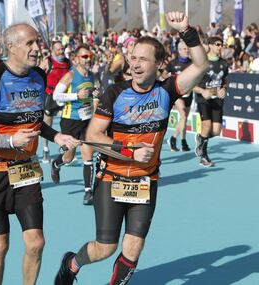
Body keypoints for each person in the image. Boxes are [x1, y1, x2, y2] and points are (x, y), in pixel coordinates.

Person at [54, 11, 208, 285]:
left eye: (143, 59)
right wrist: (129, 151)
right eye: (133, 58)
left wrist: (186, 31)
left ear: (159, 64)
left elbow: (200, 66)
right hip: (112, 179)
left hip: (146, 181)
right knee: (106, 247)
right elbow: (93, 135)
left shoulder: (167, 90)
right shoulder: (115, 94)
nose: (135, 64)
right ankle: (72, 263)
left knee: (134, 247)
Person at [0, 23, 79, 285]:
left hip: (25, 169)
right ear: (11, 47)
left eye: (37, 42)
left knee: (36, 242)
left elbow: (35, 119)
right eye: (30, 43)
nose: (37, 48)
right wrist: (10, 140)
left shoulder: (38, 76)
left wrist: (56, 135)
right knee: (0, 245)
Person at [50, 45, 98, 205]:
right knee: (69, 156)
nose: (88, 59)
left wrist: (96, 94)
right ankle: (56, 163)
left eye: (89, 55)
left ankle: (88, 192)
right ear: (76, 59)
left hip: (87, 121)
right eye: (84, 56)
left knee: (88, 153)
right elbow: (56, 96)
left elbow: (95, 92)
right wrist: (76, 95)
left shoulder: (92, 76)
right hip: (70, 120)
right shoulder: (70, 75)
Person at [193, 36, 229, 167]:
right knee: (206, 126)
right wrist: (202, 92)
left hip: (217, 100)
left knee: (216, 131)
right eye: (218, 44)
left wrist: (224, 89)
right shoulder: (202, 62)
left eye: (221, 45)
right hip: (204, 99)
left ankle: (201, 138)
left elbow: (225, 80)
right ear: (210, 45)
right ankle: (203, 157)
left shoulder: (224, 63)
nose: (220, 47)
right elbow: (191, 84)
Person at [39, 41, 71, 163]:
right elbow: (36, 74)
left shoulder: (68, 62)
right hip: (50, 96)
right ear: (53, 51)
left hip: (64, 96)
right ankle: (45, 149)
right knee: (47, 124)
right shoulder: (48, 61)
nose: (61, 51)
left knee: (66, 124)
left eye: (62, 48)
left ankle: (65, 151)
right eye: (58, 49)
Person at [165, 40, 193, 152]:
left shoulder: (192, 63)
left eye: (188, 49)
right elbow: (164, 75)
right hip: (177, 94)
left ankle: (179, 139)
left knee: (184, 119)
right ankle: (178, 140)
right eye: (184, 49)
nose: (187, 51)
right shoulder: (173, 63)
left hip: (189, 93)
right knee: (184, 116)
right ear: (179, 50)